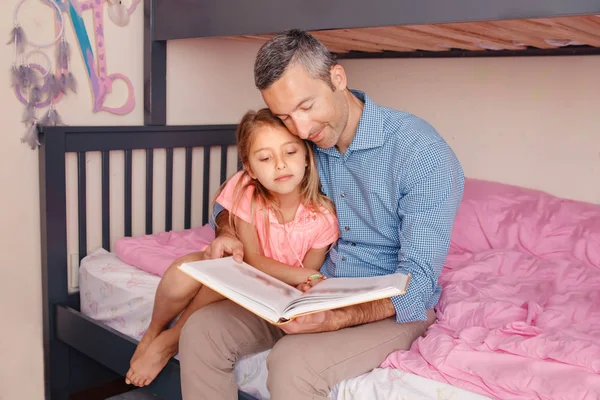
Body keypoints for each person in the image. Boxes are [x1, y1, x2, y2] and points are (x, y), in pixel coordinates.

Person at [178, 29, 466, 399]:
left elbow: (419, 283)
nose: (300, 129)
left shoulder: (421, 154)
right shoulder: (305, 143)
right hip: (312, 291)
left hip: (386, 305)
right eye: (285, 117)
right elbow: (242, 189)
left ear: (338, 78)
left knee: (292, 364)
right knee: (202, 331)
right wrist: (227, 231)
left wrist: (337, 318)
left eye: (306, 106)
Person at [124, 108, 339, 387]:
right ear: (249, 168)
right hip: (242, 269)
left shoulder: (322, 217)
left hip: (271, 289)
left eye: (290, 152)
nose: (280, 165)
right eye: (265, 157)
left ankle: (171, 339)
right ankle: (154, 332)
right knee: (184, 271)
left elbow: (306, 273)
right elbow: (251, 260)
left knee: (223, 276)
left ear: (307, 158)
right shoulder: (246, 193)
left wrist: (305, 278)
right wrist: (302, 276)